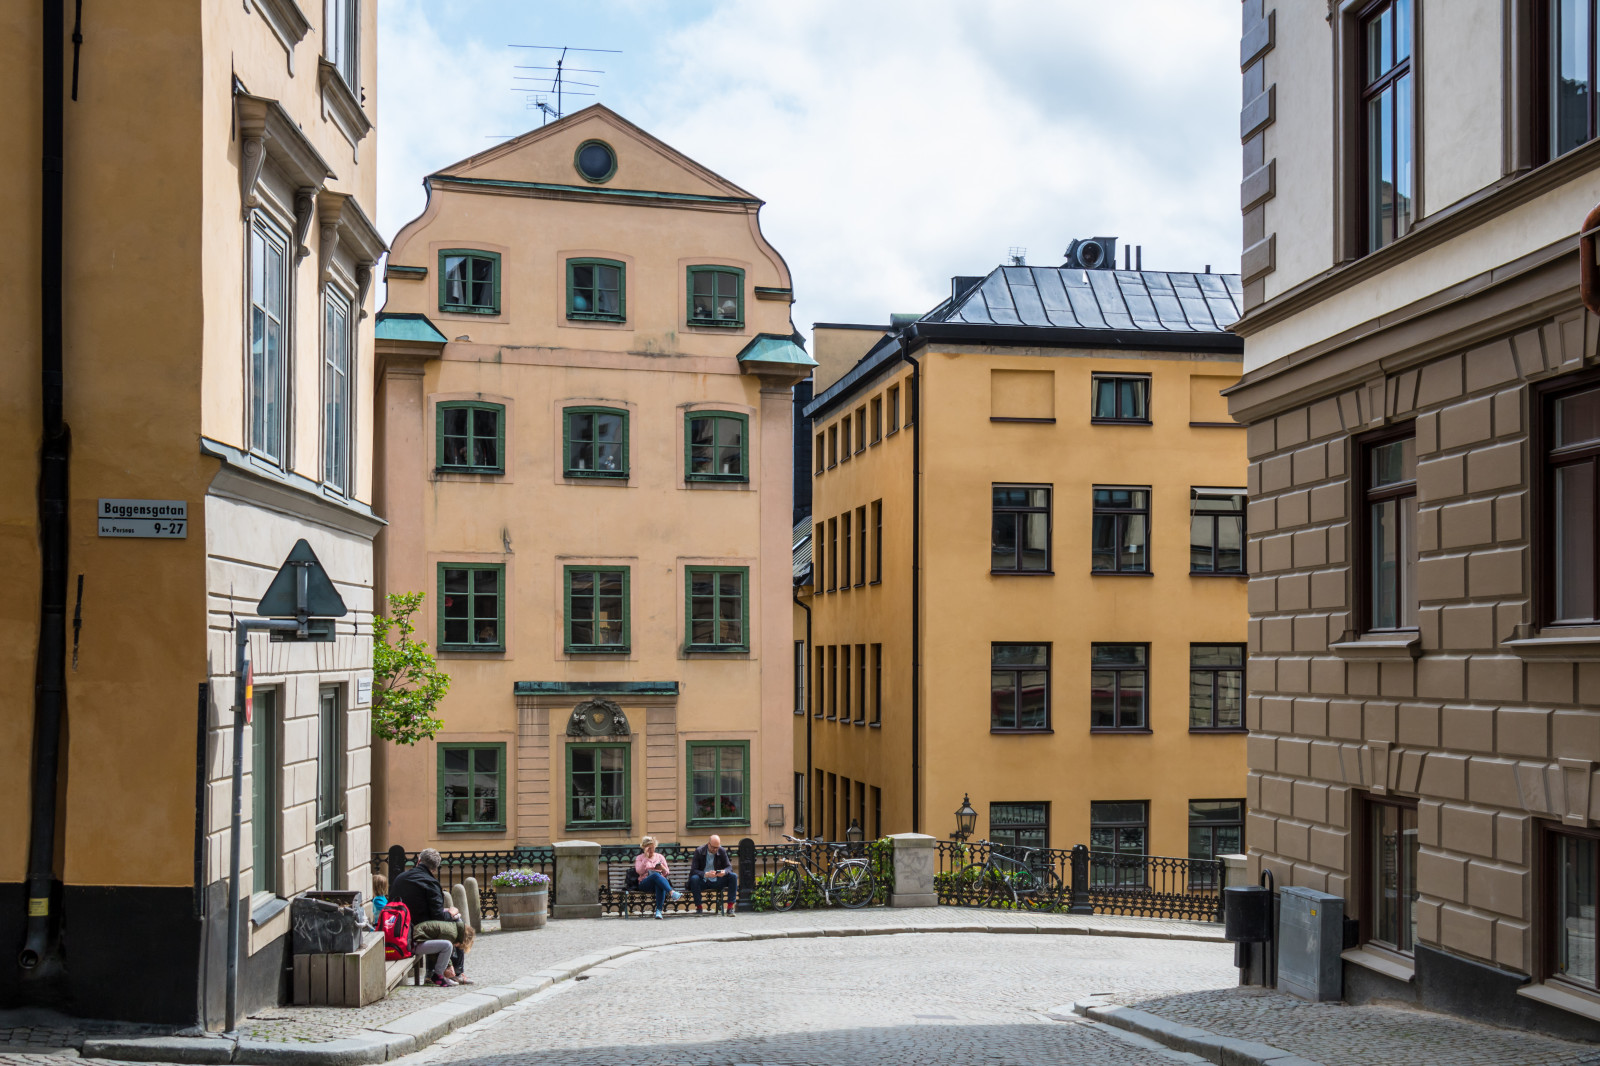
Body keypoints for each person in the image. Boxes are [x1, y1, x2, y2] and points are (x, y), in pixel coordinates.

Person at [393, 849, 469, 980]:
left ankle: (434, 971)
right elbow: (437, 917)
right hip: (416, 930)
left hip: (399, 927)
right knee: (459, 924)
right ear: (434, 869)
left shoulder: (400, 878)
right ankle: (456, 972)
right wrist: (451, 913)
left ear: (419, 861)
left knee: (438, 926)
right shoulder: (431, 884)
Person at [687, 834, 738, 917]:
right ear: (708, 844)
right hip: (703, 881)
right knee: (694, 878)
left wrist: (724, 872)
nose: (715, 850)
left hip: (716, 880)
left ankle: (730, 908)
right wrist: (705, 874)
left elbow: (729, 867)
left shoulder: (721, 850)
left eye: (717, 847)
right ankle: (699, 908)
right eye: (713, 847)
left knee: (733, 876)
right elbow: (693, 870)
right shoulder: (699, 851)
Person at [634, 836, 681, 920]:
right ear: (644, 848)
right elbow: (639, 872)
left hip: (658, 882)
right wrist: (645, 858)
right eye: (648, 848)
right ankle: (672, 893)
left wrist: (662, 868)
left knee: (659, 882)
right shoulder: (640, 858)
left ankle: (659, 911)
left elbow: (666, 873)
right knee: (656, 875)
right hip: (645, 883)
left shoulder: (660, 857)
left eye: (652, 848)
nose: (651, 850)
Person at [411, 918, 462, 987]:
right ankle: (439, 975)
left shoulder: (452, 928)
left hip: (417, 939)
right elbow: (436, 953)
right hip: (416, 942)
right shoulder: (451, 933)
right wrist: (449, 966)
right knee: (448, 945)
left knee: (447, 946)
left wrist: (449, 965)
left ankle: (441, 976)